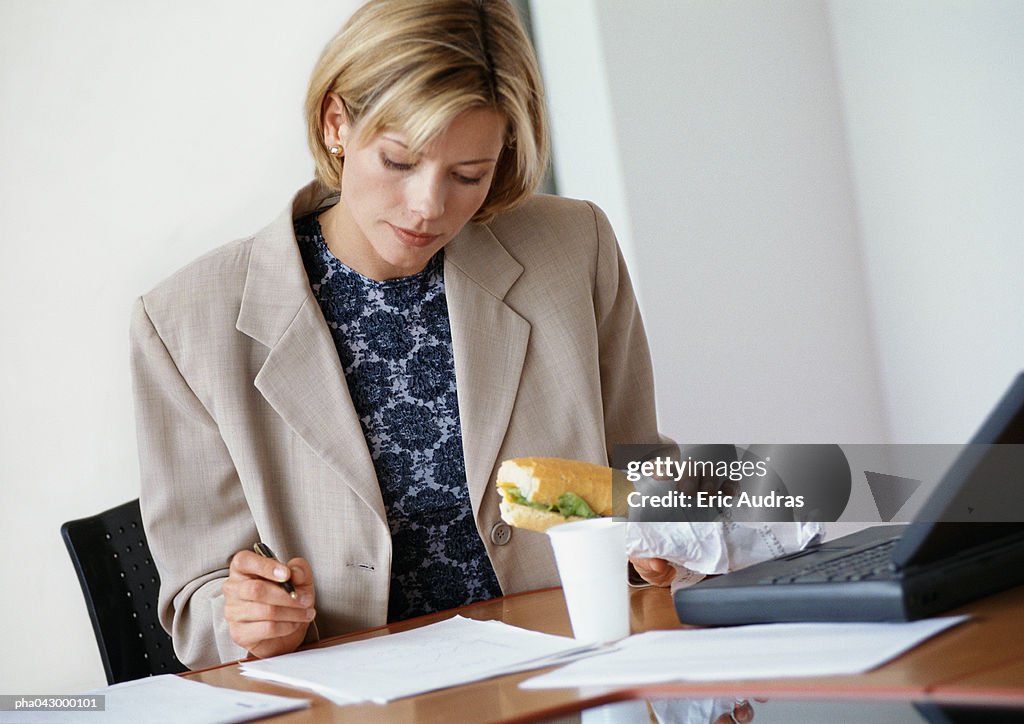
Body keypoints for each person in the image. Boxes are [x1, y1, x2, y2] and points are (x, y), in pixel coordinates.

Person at [131, 0, 666, 670]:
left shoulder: (573, 247)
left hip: (578, 671)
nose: (428, 206)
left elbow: (644, 479)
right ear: (337, 123)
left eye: (469, 175)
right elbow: (197, 597)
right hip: (359, 698)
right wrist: (249, 619)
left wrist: (674, 543)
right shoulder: (184, 322)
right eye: (398, 161)